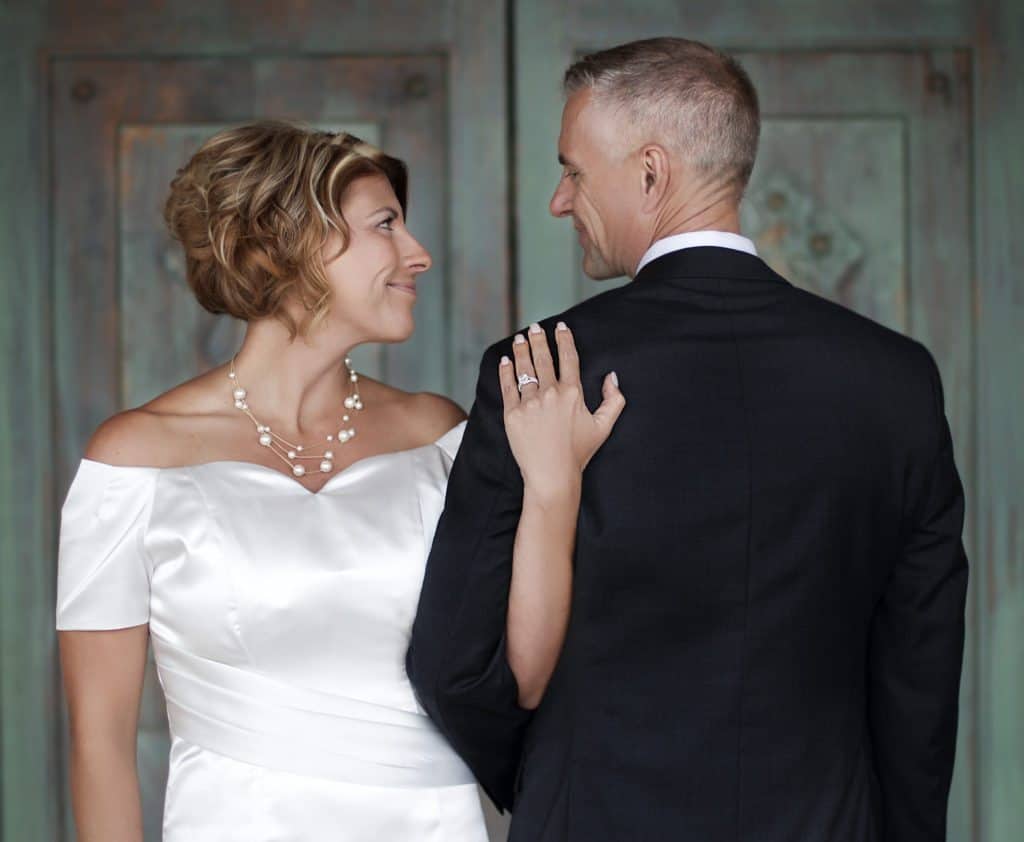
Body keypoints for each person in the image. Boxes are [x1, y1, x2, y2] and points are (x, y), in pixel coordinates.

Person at [408, 37, 969, 842]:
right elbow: (920, 670)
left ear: (650, 172)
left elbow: (454, 669)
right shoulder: (896, 377)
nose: (558, 202)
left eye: (572, 170)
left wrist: (559, 779)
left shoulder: (537, 372)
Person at [55, 121, 624, 841]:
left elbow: (524, 677)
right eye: (385, 224)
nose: (418, 255)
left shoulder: (441, 438)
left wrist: (553, 487)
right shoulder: (133, 462)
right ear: (283, 242)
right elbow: (97, 743)